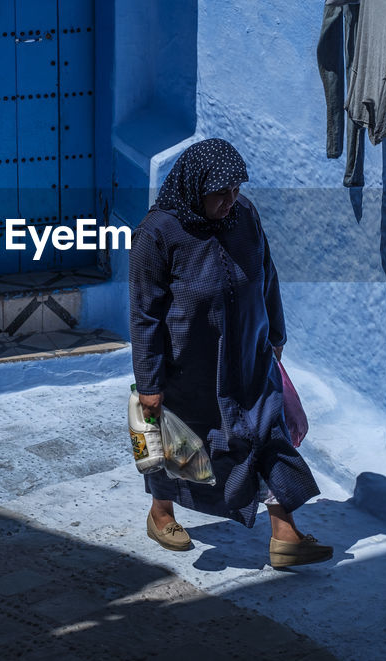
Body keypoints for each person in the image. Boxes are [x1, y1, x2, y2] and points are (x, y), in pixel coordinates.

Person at [129, 138, 333, 568]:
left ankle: (285, 534)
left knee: (267, 434)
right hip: (190, 367)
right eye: (220, 192)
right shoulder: (156, 234)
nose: (230, 200)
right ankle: (160, 512)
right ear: (194, 186)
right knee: (176, 443)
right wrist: (149, 383)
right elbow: (144, 314)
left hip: (250, 357)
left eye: (236, 189)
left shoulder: (245, 217)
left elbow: (267, 276)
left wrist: (275, 332)